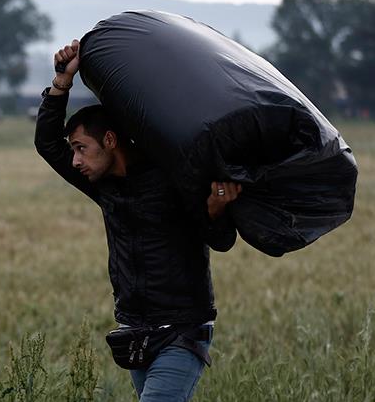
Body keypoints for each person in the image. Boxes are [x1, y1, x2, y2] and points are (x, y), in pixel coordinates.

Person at [35, 40, 242, 401]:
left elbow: (222, 239)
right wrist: (61, 83)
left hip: (182, 330)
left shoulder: (173, 175)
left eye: (81, 148)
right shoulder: (105, 186)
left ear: (110, 140)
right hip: (133, 331)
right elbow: (46, 144)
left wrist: (216, 207)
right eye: (73, 151)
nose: (74, 161)